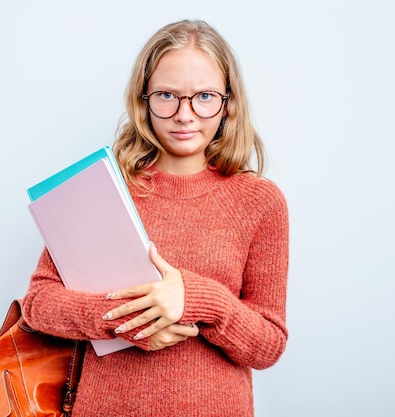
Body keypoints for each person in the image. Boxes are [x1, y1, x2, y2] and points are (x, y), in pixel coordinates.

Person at [22, 19, 289, 416]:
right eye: (167, 95)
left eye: (204, 96)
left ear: (228, 102)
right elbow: (38, 304)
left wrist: (198, 298)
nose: (185, 114)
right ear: (143, 99)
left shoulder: (260, 202)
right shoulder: (100, 188)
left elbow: (268, 345)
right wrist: (128, 323)